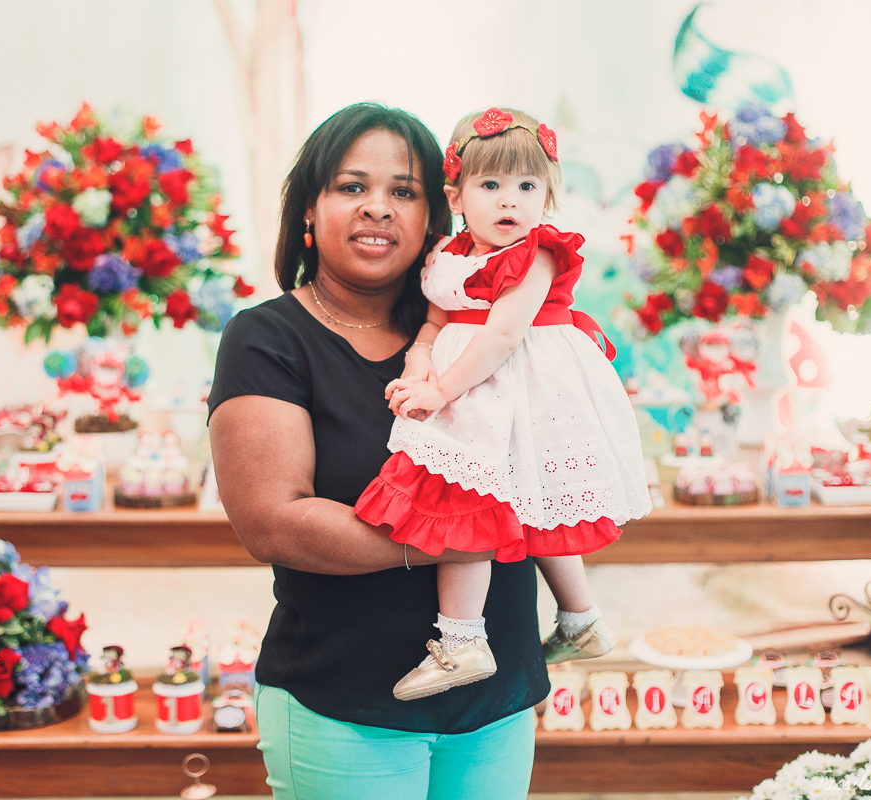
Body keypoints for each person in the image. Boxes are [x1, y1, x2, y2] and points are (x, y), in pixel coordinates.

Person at [208, 103, 547, 800]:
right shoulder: (268, 339)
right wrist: (464, 536)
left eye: (403, 191)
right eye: (351, 186)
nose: (379, 209)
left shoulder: (492, 333)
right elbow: (274, 521)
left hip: (497, 699)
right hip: (347, 703)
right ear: (309, 207)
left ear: (437, 216)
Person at [355, 107, 653, 700]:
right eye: (490, 186)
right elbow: (438, 318)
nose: (509, 201)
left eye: (527, 186)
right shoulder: (450, 253)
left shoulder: (535, 252)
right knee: (525, 503)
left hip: (519, 385)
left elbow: (500, 335)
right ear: (456, 194)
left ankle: (463, 640)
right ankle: (582, 620)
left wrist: (440, 390)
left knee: (472, 502)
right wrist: (419, 361)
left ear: (548, 194)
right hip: (476, 383)